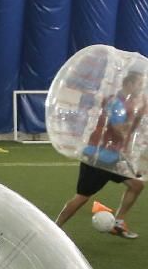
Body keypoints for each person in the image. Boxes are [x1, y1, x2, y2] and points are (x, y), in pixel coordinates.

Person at [56, 70, 147, 239]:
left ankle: (118, 223)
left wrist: (138, 115)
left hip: (112, 157)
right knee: (82, 197)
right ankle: (54, 228)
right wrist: (137, 116)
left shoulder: (124, 102)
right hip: (98, 158)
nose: (141, 88)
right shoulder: (116, 103)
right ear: (129, 84)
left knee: (136, 185)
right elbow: (120, 131)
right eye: (139, 84)